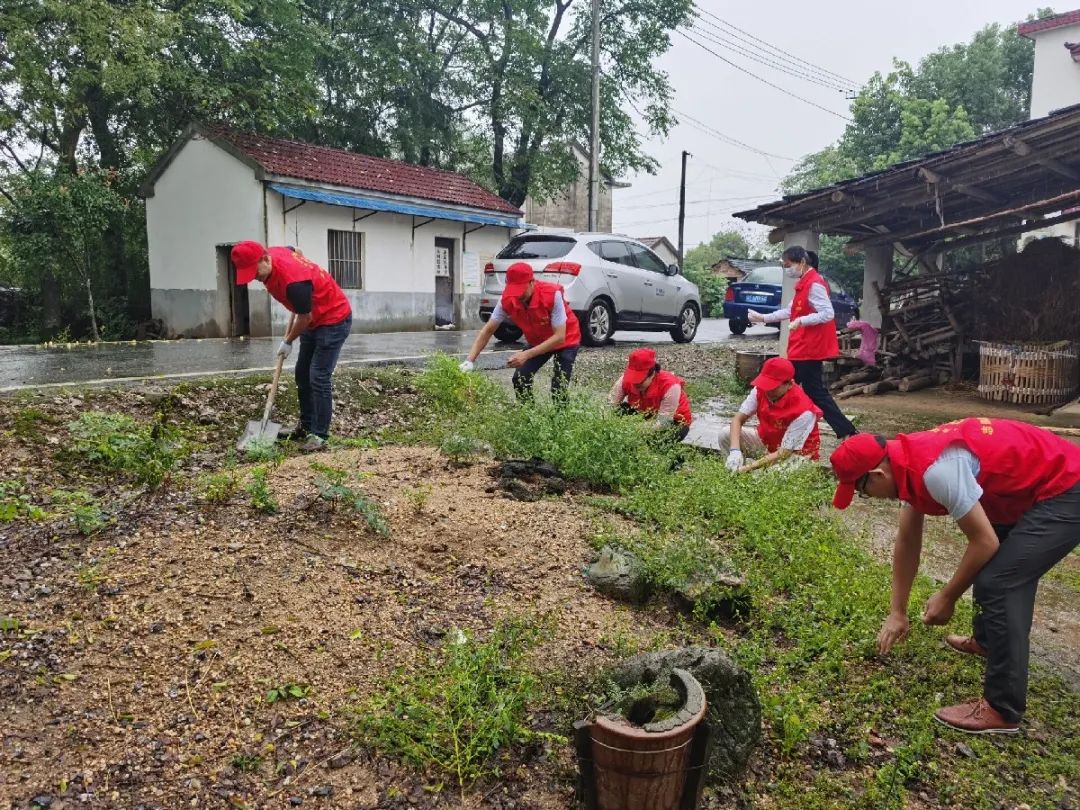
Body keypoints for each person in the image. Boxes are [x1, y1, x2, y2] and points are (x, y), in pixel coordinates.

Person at [830, 419, 1080, 734]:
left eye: (862, 491)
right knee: (992, 565)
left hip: (1067, 485)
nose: (867, 497)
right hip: (1024, 484)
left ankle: (1002, 709)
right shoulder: (904, 461)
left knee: (1000, 582)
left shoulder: (936, 472)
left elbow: (984, 542)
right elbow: (907, 540)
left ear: (877, 475)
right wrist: (897, 612)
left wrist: (947, 597)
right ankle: (987, 642)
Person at [230, 240, 353, 452]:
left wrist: (287, 341)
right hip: (313, 321)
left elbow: (305, 317)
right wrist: (302, 266)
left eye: (255, 272)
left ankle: (319, 435)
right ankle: (306, 427)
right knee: (302, 374)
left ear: (265, 259)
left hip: (333, 320)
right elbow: (296, 250)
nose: (255, 278)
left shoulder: (294, 284)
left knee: (318, 376)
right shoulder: (276, 253)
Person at [749, 246, 857, 440]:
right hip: (803, 347)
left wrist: (802, 321)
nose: (786, 269)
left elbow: (828, 313)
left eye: (788, 265)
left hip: (808, 348)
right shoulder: (804, 283)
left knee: (781, 382)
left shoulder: (814, 284)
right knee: (811, 390)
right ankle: (844, 429)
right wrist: (763, 317)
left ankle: (773, 422)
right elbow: (789, 311)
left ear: (802, 262)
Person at [460, 262, 581, 400]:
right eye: (514, 290)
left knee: (559, 387)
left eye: (521, 289)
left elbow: (559, 337)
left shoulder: (552, 295)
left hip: (566, 339)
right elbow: (488, 330)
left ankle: (561, 413)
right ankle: (528, 413)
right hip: (538, 340)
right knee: (520, 378)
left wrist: (526, 355)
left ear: (532, 282)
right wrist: (469, 360)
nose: (518, 295)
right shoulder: (506, 300)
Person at [719, 357, 822, 473]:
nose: (768, 391)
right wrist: (734, 450)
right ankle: (733, 467)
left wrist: (748, 468)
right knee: (725, 434)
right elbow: (737, 419)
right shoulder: (760, 390)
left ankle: (743, 472)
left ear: (789, 384)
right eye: (765, 384)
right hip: (767, 444)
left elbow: (784, 452)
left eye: (773, 387)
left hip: (796, 455)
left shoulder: (804, 411)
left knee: (766, 477)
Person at [608, 348, 693, 442]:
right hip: (644, 413)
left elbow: (664, 423)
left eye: (640, 381)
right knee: (620, 411)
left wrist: (633, 429)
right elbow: (609, 405)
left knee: (655, 440)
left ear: (652, 374)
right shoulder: (624, 380)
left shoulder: (670, 385)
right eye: (633, 380)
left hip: (673, 421)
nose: (635, 384)